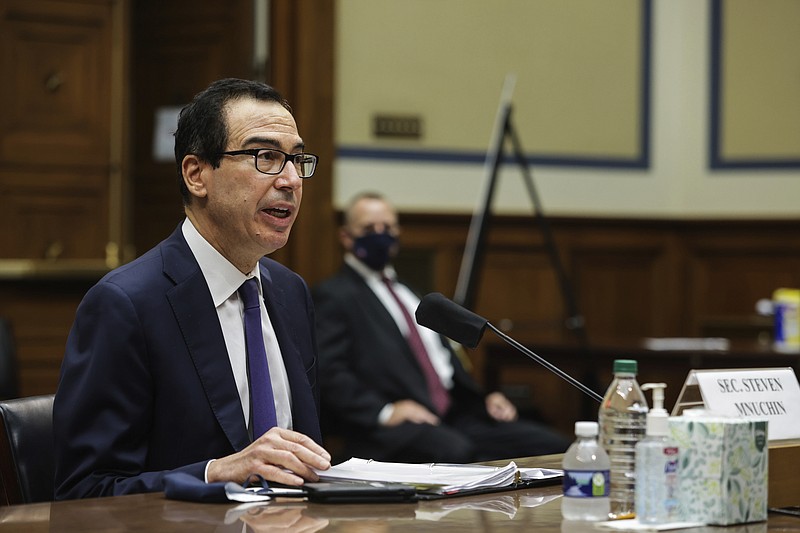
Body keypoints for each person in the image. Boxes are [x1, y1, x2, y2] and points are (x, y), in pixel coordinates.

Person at [53, 78, 331, 500]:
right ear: (196, 174)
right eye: (266, 157)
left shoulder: (291, 294)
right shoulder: (126, 304)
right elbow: (83, 492)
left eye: (297, 159)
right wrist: (215, 473)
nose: (291, 180)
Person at [312, 192, 570, 463]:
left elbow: (443, 362)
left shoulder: (408, 292)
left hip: (455, 416)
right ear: (346, 236)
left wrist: (483, 399)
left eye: (387, 228)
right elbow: (330, 372)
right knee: (459, 453)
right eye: (369, 228)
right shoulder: (335, 295)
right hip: (393, 427)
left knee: (554, 448)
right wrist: (385, 411)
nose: (380, 234)